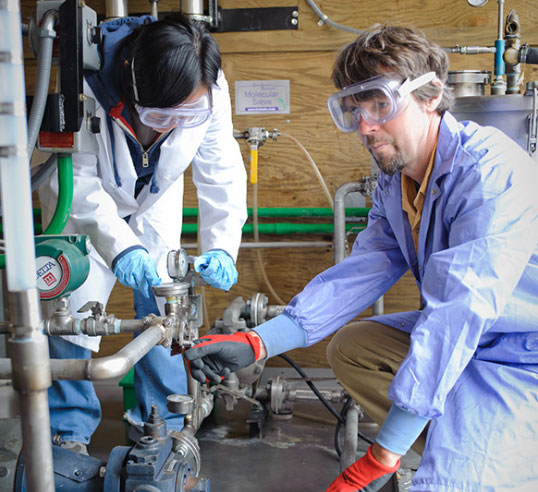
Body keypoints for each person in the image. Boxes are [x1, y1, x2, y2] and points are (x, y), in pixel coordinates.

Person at [184, 25, 538, 492]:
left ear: (430, 94)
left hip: (518, 357)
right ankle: (465, 437)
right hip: (475, 343)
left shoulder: (489, 175)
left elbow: (458, 314)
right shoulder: (398, 180)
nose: (365, 127)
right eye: (352, 110)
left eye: (379, 105)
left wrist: (381, 457)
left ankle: (490, 451)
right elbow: (358, 274)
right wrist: (258, 343)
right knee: (353, 348)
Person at [39, 13, 247, 454]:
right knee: (68, 306)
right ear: (132, 84)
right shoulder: (86, 83)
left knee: (164, 297)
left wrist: (223, 246)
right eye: (159, 115)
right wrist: (120, 247)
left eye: (184, 116)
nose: (171, 126)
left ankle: (161, 421)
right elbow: (74, 179)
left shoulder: (209, 88)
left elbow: (221, 170)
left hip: (155, 197)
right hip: (87, 200)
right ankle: (68, 432)